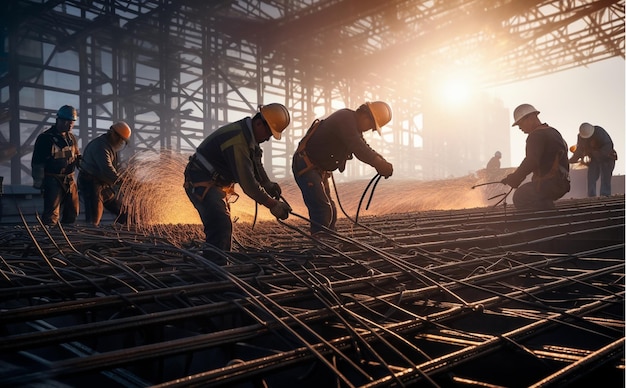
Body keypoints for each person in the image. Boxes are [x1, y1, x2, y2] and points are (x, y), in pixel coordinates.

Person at [183, 103, 292, 261]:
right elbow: (248, 185)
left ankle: (217, 262)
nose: (268, 138)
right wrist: (273, 204)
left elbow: (256, 163)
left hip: (214, 183)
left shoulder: (249, 136)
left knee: (222, 225)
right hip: (201, 180)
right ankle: (214, 271)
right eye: (268, 132)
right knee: (220, 224)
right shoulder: (238, 140)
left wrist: (268, 184)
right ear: (259, 122)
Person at [292, 101, 394, 234]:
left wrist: (382, 161)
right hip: (306, 165)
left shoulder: (352, 125)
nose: (370, 129)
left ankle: (329, 240)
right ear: (365, 115)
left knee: (332, 212)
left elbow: (363, 146)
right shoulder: (345, 118)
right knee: (322, 209)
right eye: (371, 125)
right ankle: (319, 245)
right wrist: (379, 164)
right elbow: (358, 146)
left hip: (317, 170)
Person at [500, 103, 570, 210]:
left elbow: (531, 161)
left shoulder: (535, 135)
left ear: (531, 117)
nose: (519, 128)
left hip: (552, 183)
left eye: (520, 124)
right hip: (563, 182)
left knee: (521, 196)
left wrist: (515, 177)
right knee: (535, 195)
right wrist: (517, 178)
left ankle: (548, 220)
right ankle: (549, 211)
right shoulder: (553, 131)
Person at [31, 105, 81, 226]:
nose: (69, 124)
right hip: (52, 180)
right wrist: (40, 183)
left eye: (72, 122)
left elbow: (76, 156)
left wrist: (84, 164)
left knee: (72, 211)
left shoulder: (71, 138)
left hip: (69, 179)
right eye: (66, 121)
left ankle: (67, 237)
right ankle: (50, 239)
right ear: (58, 120)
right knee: (51, 214)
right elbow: (37, 163)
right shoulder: (45, 138)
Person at [78, 121, 132, 226]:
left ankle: (118, 233)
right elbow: (107, 169)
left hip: (103, 184)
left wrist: (128, 178)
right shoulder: (101, 146)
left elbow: (115, 168)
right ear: (113, 134)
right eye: (121, 139)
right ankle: (92, 236)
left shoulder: (110, 146)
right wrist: (123, 183)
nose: (121, 143)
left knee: (123, 212)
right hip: (91, 183)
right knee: (94, 218)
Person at [568, 122, 617, 197]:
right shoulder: (581, 137)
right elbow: (579, 150)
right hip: (594, 159)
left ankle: (605, 195)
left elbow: (608, 145)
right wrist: (572, 159)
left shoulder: (600, 132)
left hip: (607, 158)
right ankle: (591, 195)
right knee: (591, 177)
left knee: (605, 178)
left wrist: (596, 153)